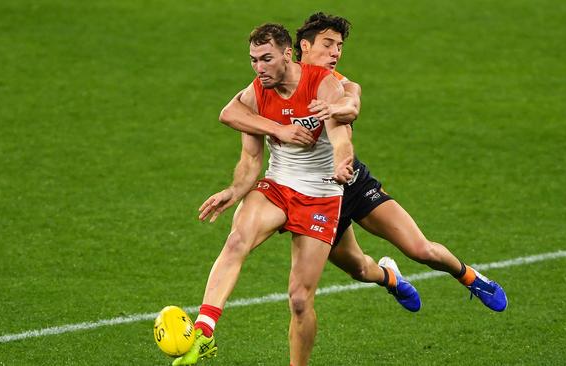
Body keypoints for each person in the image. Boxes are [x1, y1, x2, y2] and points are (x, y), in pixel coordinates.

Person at [218, 12, 508, 314]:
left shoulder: (338, 83)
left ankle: (471, 277)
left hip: (352, 183)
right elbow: (232, 113)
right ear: (303, 46)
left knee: (421, 249)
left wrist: (336, 106)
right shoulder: (274, 82)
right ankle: (390, 278)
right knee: (359, 270)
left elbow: (352, 100)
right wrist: (277, 130)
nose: (335, 53)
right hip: (316, 200)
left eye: (340, 47)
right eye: (328, 45)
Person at [173, 23, 355, 366]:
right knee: (237, 239)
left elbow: (342, 136)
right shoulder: (258, 92)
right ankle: (205, 330)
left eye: (266, 59)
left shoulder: (322, 84)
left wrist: (342, 164)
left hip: (320, 193)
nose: (259, 68)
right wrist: (236, 189)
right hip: (279, 185)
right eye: (254, 60)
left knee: (300, 300)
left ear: (288, 54)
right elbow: (248, 152)